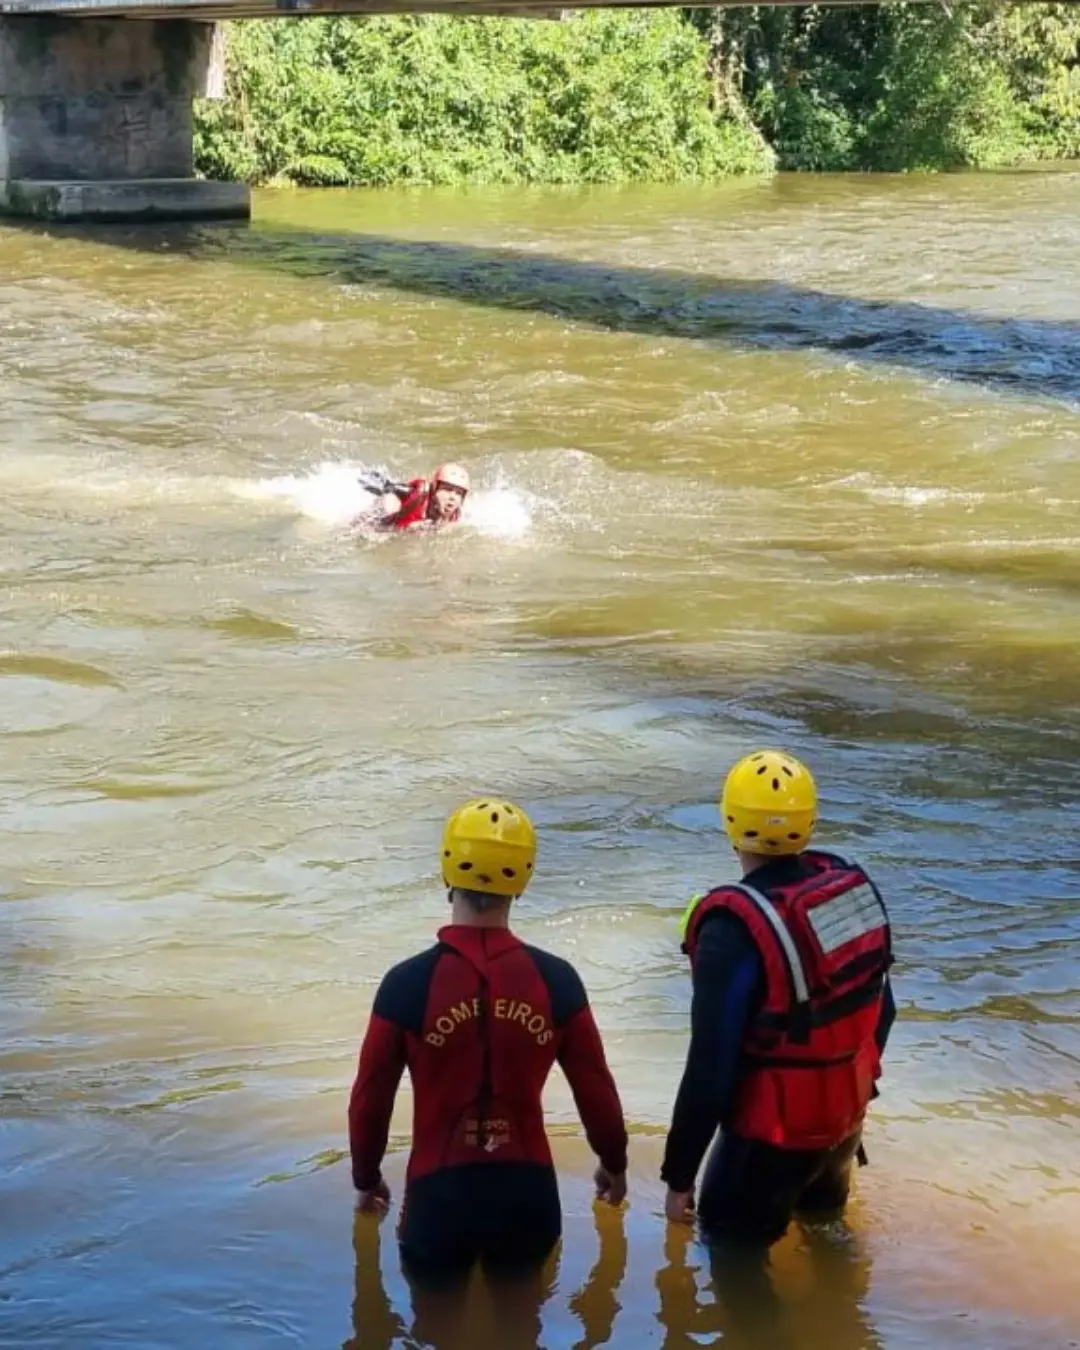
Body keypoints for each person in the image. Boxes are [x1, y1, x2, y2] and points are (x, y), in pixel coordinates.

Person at [348, 796, 629, 1298]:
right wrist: (614, 1163)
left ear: (446, 869)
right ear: (522, 880)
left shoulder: (405, 985)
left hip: (439, 1199)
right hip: (527, 1195)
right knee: (523, 1331)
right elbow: (597, 1090)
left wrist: (366, 1178)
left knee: (435, 1331)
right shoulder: (556, 981)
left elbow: (370, 1100)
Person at [662, 749, 896, 1248]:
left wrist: (678, 1176)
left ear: (729, 821)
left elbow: (709, 1068)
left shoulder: (732, 927)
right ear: (809, 822)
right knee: (832, 1242)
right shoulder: (847, 888)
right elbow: (882, 1010)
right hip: (841, 1127)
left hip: (766, 1144)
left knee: (735, 1277)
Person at [356, 462, 470, 531]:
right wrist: (404, 527)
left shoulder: (456, 513)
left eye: (459, 493)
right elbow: (389, 488)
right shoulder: (417, 494)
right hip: (394, 503)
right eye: (447, 490)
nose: (453, 497)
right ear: (435, 489)